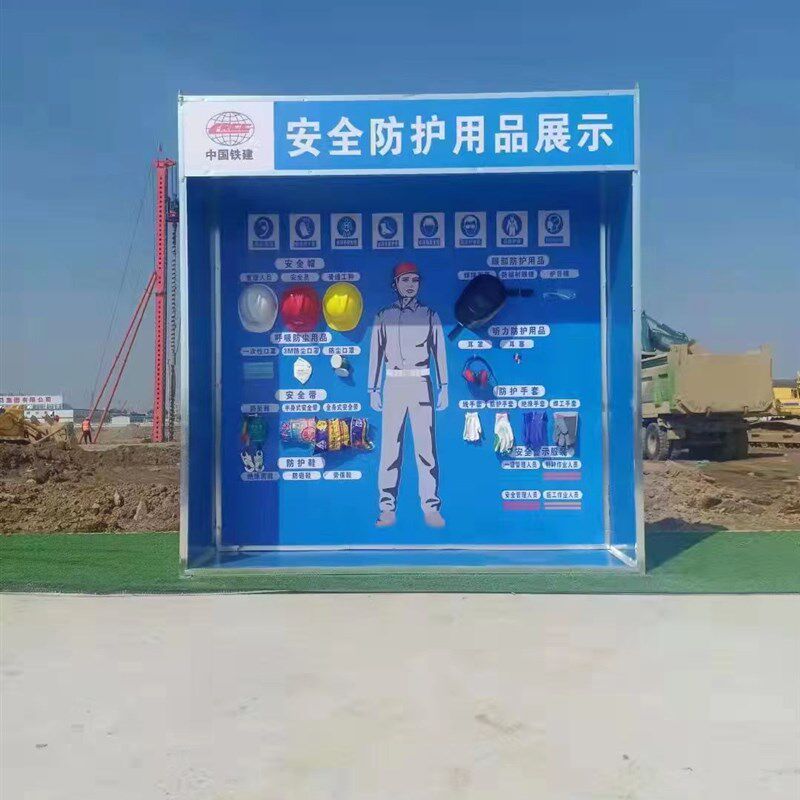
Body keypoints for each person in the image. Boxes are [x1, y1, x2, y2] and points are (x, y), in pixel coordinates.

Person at [368, 262, 448, 528]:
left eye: (414, 280)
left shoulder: (430, 315)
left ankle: (431, 507)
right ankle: (386, 508)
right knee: (390, 449)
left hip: (421, 383)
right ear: (395, 284)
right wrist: (372, 389)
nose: (410, 285)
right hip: (393, 384)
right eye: (405, 280)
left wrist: (444, 386)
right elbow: (376, 354)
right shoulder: (383, 316)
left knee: (426, 449)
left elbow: (439, 352)